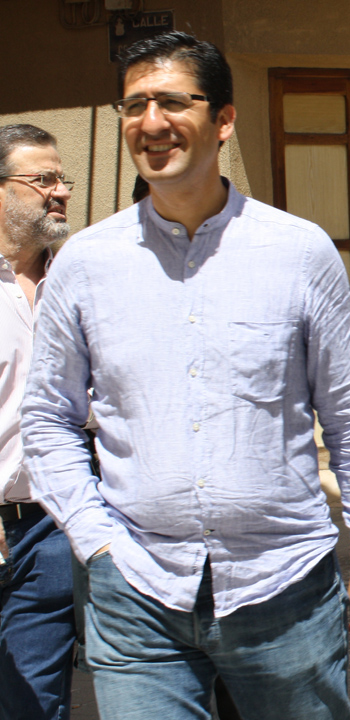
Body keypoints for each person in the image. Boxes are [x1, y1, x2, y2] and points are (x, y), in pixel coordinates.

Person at [21, 31, 350, 719]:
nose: (151, 122)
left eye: (173, 102)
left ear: (223, 119)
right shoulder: (86, 263)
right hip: (135, 590)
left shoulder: (299, 252)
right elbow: (47, 417)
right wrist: (95, 538)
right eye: (134, 105)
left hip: (283, 587)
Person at [0, 124, 74, 720]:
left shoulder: (77, 280)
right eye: (43, 179)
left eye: (62, 178)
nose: (62, 191)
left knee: (36, 704)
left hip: (50, 529)